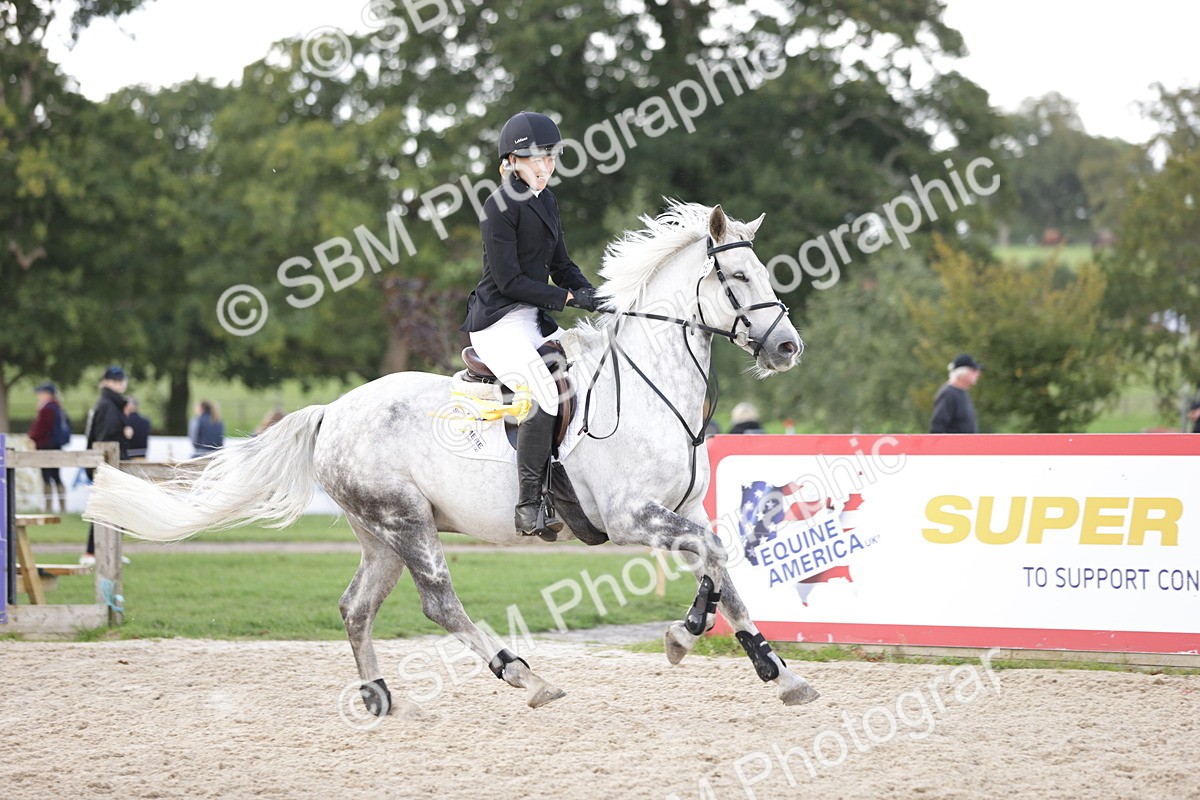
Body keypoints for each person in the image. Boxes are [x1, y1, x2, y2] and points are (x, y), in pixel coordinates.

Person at [460, 110, 600, 538]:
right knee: (544, 392)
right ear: (513, 162)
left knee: (592, 366)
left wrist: (598, 296)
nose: (546, 167)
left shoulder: (547, 201)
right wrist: (567, 298)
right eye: (537, 159)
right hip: (499, 320)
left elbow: (561, 264)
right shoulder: (498, 206)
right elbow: (509, 280)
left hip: (534, 317)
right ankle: (528, 503)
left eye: (551, 158)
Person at [83, 365, 130, 564]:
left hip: (105, 463)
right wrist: (124, 434)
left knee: (113, 507)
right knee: (106, 507)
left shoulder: (108, 404)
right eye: (116, 380)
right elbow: (106, 439)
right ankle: (93, 552)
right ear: (107, 382)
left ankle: (108, 549)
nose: (121, 383)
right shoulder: (109, 406)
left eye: (121, 379)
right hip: (108, 464)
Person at [27, 381, 68, 512]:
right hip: (56, 446)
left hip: (46, 445)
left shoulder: (47, 408)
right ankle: (62, 507)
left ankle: (49, 507)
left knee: (47, 477)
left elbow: (42, 428)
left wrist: (31, 436)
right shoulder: (58, 407)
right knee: (56, 476)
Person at [930, 353, 983, 433]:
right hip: (952, 445)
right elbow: (938, 427)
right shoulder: (948, 394)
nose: (977, 373)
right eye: (973, 370)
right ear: (961, 374)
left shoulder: (962, 392)